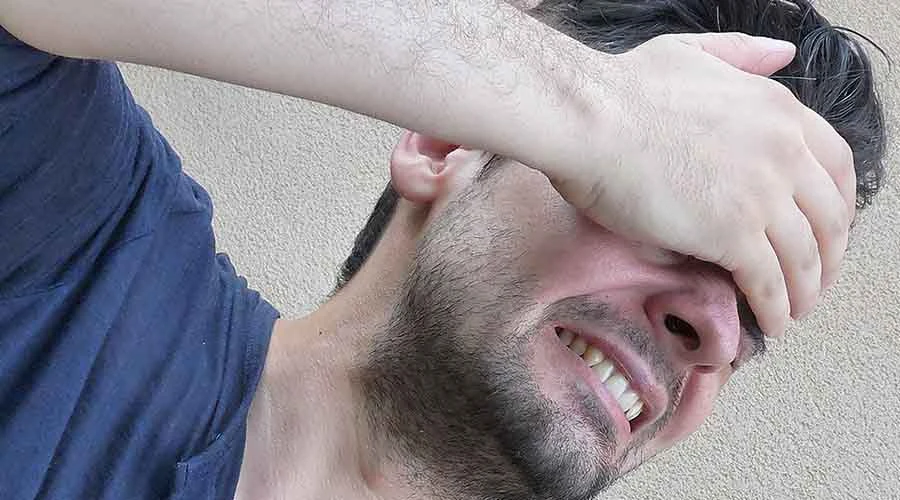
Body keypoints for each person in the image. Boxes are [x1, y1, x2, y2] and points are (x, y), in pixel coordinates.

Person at [0, 0, 886, 499]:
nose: (716, 335)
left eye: (759, 308)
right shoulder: (78, 267)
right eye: (682, 210)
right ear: (446, 144)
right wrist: (604, 110)